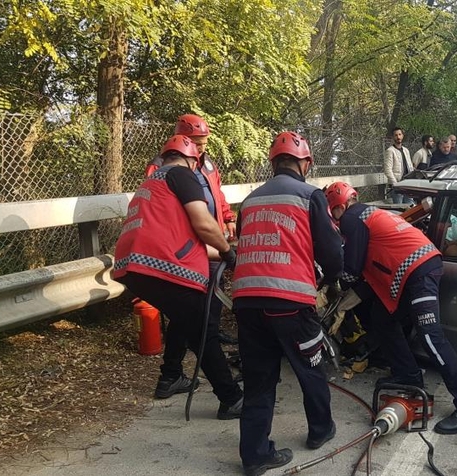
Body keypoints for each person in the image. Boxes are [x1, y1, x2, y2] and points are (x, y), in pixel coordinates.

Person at [324, 182, 457, 435]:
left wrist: (334, 279)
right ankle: (409, 376)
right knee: (382, 320)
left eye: (332, 213)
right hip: (415, 270)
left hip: (419, 273)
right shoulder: (370, 213)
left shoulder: (352, 218)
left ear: (339, 207)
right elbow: (370, 264)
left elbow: (352, 270)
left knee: (431, 338)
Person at [232, 131, 344, 475]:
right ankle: (320, 431)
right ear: (305, 163)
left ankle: (254, 455)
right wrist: (331, 278)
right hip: (290, 303)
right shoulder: (310, 195)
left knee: (258, 379)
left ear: (273, 163)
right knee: (310, 368)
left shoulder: (250, 200)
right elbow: (330, 251)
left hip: (247, 302)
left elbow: (243, 242)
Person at [113, 135, 244, 420]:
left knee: (185, 317)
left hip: (135, 267)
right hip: (163, 265)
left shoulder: (151, 183)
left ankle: (171, 376)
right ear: (192, 160)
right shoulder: (182, 175)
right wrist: (226, 249)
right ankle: (231, 398)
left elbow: (183, 239)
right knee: (202, 331)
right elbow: (203, 224)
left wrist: (222, 255)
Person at [146, 114, 238, 351]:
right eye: (196, 143)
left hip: (211, 236)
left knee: (215, 292)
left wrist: (227, 217)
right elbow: (155, 199)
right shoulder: (162, 164)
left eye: (204, 142)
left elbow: (217, 194)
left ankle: (211, 334)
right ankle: (198, 344)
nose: (201, 148)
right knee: (188, 301)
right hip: (184, 242)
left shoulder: (208, 165)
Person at [383, 127, 414, 204]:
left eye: (400, 134)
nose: (398, 137)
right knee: (399, 209)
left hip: (408, 184)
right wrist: (395, 184)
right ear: (393, 137)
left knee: (410, 207)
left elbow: (410, 166)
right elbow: (387, 169)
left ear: (402, 136)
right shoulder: (390, 151)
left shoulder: (406, 150)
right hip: (397, 185)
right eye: (396, 135)